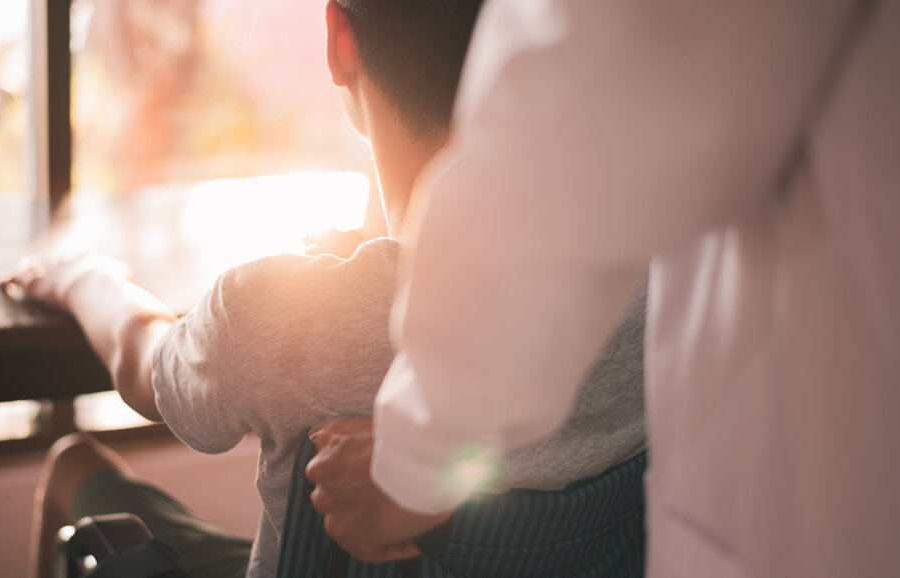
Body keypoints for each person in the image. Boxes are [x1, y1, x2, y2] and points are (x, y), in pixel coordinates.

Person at [8, 0, 648, 576]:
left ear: (340, 39)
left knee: (73, 463)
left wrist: (85, 278)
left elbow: (144, 368)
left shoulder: (277, 313)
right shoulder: (648, 279)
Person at [306, 0, 900, 576]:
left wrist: (420, 453)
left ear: (339, 38)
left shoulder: (277, 311)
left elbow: (594, 86)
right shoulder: (640, 298)